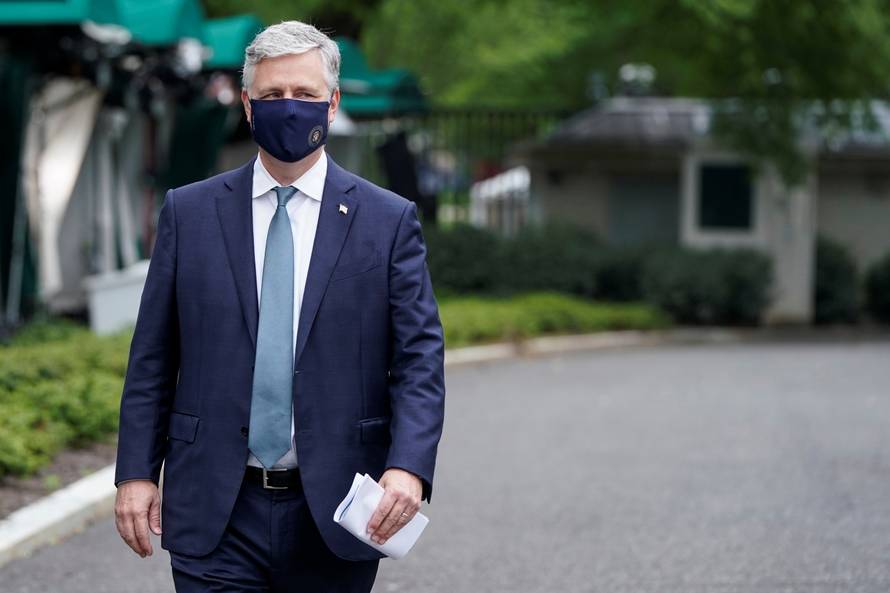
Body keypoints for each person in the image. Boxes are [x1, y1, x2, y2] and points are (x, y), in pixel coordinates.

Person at [112, 20, 446, 593]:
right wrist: (136, 473)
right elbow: (153, 356)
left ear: (332, 103)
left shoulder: (387, 221)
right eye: (271, 94)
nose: (288, 107)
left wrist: (408, 465)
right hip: (214, 506)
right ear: (247, 104)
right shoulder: (189, 214)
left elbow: (419, 360)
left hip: (338, 506)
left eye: (305, 93)